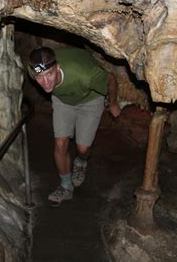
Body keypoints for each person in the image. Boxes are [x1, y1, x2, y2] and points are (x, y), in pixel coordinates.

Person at [28, 46, 120, 204]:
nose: (45, 82)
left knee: (83, 149)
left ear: (58, 68)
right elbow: (40, 74)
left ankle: (81, 161)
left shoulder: (86, 75)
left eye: (49, 74)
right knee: (60, 143)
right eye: (40, 77)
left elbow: (111, 79)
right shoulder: (33, 69)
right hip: (63, 100)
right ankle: (66, 186)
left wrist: (113, 103)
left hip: (90, 99)